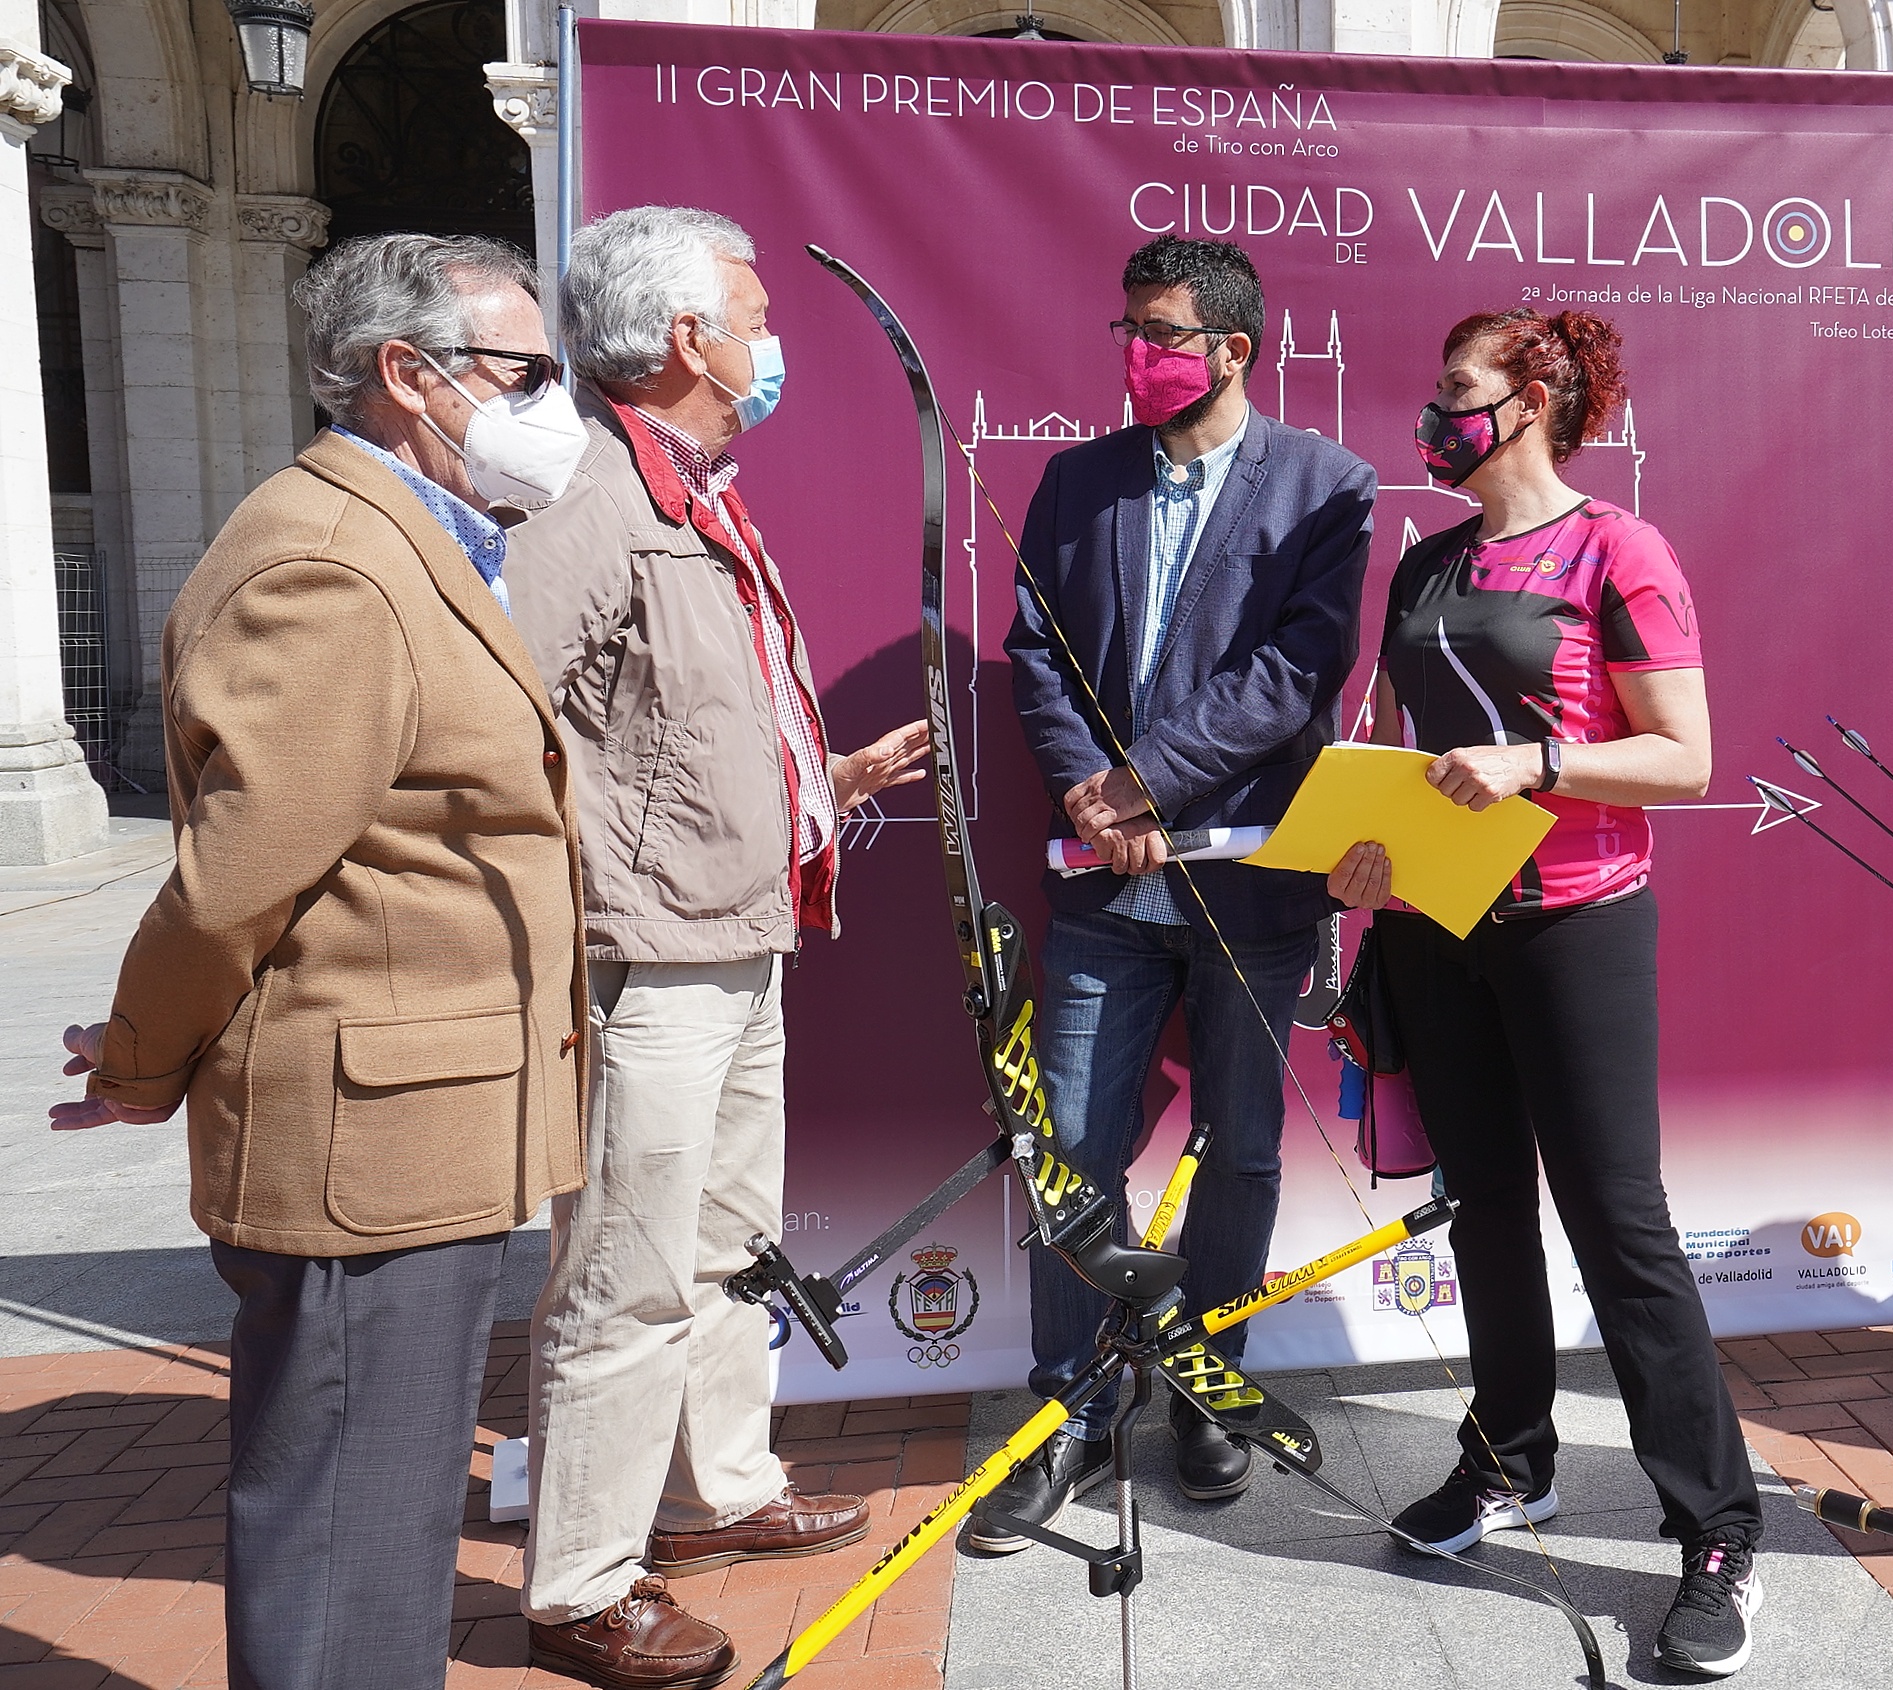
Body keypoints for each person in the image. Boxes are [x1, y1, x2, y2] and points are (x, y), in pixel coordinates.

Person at [48, 233, 588, 1690]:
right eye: (527, 371)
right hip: (368, 1143)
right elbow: (237, 877)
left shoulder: (413, 537)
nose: (552, 404)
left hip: (419, 1122)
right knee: (352, 1529)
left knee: (383, 1523)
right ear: (408, 374)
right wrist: (140, 1061)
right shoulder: (331, 562)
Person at [505, 205, 929, 1690]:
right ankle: (580, 1582)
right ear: (687, 338)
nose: (770, 341)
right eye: (753, 318)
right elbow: (504, 724)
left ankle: (714, 1491)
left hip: (741, 930)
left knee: (724, 1245)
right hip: (651, 952)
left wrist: (823, 779)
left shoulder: (690, 488)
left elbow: (674, 719)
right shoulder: (588, 499)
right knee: (624, 1273)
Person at [1327, 306, 1765, 1678]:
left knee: (1618, 1225)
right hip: (1433, 925)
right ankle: (1511, 1457)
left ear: (1531, 400)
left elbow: (1686, 757)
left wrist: (1539, 763)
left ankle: (1716, 1530)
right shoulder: (1425, 560)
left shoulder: (1618, 548)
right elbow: (1390, 746)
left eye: (1456, 388)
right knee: (1484, 1211)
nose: (1432, 412)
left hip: (1575, 924)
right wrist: (1362, 852)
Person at [971, 234, 1377, 1546]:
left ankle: (1209, 1383)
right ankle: (1070, 1409)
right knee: (1072, 1150)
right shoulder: (1075, 480)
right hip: (1101, 894)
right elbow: (1036, 649)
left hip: (1249, 887)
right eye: (1127, 331)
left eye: (1158, 333)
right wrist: (1088, 792)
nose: (1134, 354)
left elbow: (1295, 671)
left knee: (1241, 1149)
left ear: (1230, 349)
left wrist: (1144, 781)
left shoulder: (1324, 485)